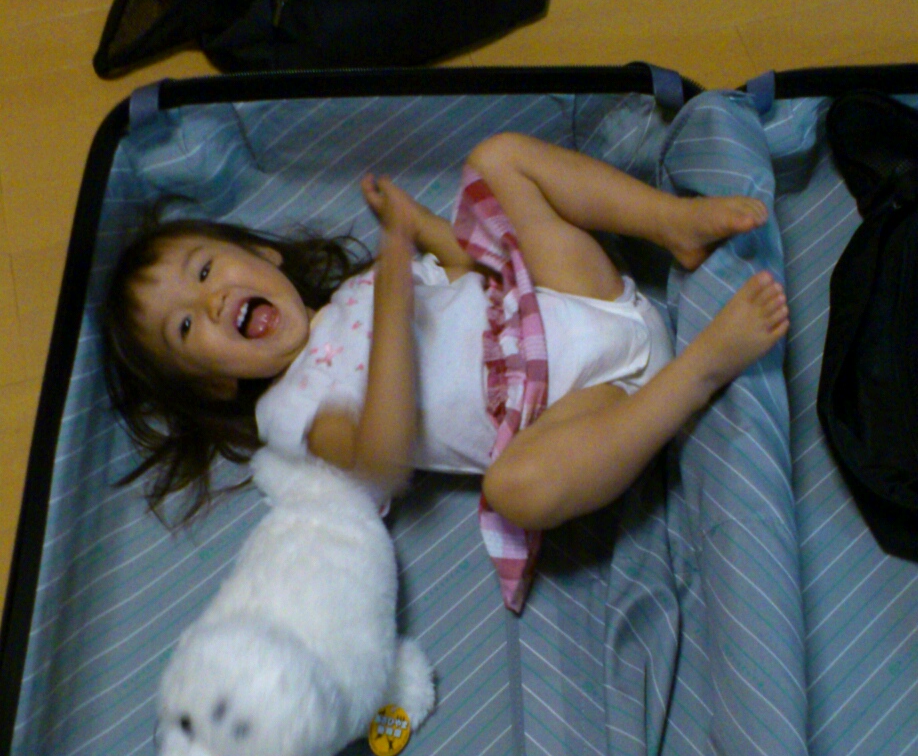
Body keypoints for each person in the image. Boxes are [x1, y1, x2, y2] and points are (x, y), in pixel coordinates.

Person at [102, 132, 789, 533]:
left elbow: (468, 269)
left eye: (205, 269)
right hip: (583, 410)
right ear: (214, 383)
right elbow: (380, 458)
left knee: (496, 158)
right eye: (185, 325)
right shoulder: (290, 407)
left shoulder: (359, 288)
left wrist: (416, 225)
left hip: (571, 295)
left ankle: (669, 222)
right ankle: (698, 371)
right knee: (515, 491)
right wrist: (393, 309)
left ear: (264, 255)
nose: (213, 300)